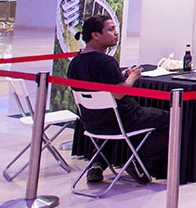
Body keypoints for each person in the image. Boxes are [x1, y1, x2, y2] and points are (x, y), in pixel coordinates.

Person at [67, 15, 168, 183]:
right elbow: (119, 93)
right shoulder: (105, 62)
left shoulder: (76, 62)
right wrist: (132, 77)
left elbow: (98, 85)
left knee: (111, 127)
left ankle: (97, 165)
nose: (116, 33)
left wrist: (120, 76)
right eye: (111, 29)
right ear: (95, 35)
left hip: (91, 120)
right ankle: (139, 162)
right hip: (122, 118)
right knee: (169, 119)